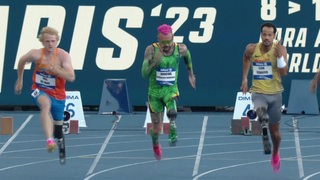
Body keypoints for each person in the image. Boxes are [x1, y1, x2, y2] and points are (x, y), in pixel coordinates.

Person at [14, 26, 75, 162]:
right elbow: (22, 61)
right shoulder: (36, 54)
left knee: (58, 129)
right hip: (39, 89)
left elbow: (71, 77)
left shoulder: (63, 56)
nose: (50, 44)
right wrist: (20, 80)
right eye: (47, 41)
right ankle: (49, 140)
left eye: (53, 41)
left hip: (58, 95)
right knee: (45, 105)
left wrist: (56, 70)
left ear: (57, 41)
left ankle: (60, 147)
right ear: (42, 42)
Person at [141, 24, 196, 160]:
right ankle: (155, 144)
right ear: (158, 39)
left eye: (169, 41)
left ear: (173, 37)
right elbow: (143, 74)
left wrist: (190, 74)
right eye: (163, 42)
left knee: (172, 110)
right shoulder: (151, 50)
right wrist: (154, 63)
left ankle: (172, 127)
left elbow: (188, 57)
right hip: (154, 92)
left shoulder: (180, 48)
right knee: (156, 127)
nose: (166, 45)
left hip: (170, 89)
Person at [240, 22, 288, 173]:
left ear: (274, 36)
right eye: (264, 34)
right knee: (259, 108)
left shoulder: (280, 50)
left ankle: (275, 152)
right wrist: (245, 78)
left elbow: (284, 73)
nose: (266, 37)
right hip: (258, 91)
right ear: (260, 35)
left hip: (275, 94)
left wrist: (279, 57)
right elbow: (246, 58)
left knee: (277, 135)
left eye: (269, 35)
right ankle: (262, 121)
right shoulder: (252, 48)